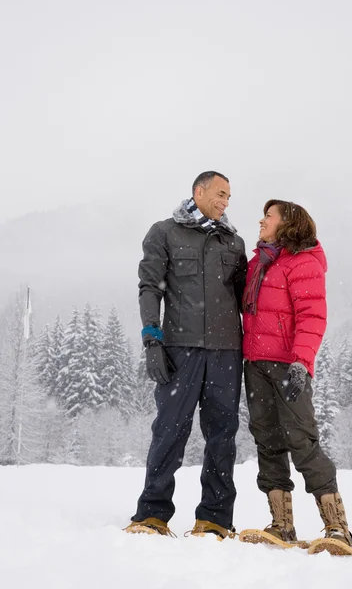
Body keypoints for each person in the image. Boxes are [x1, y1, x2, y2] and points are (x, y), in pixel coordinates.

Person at [239, 199, 352, 556]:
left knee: (302, 441)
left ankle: (338, 528)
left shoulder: (303, 262)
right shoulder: (260, 262)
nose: (261, 221)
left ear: (287, 224)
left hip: (287, 366)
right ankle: (282, 525)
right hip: (256, 364)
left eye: (269, 216)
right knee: (267, 440)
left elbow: (312, 316)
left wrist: (301, 362)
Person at [124, 171, 247, 539]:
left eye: (230, 196)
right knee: (170, 430)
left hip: (227, 352)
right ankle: (152, 515)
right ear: (199, 191)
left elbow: (247, 302)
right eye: (220, 193)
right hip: (181, 349)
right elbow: (150, 287)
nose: (226, 201)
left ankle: (214, 519)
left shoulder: (234, 242)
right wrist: (152, 338)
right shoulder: (165, 232)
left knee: (223, 435)